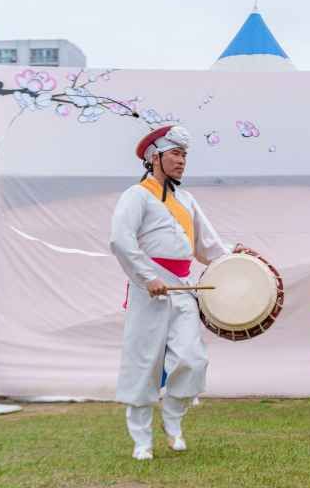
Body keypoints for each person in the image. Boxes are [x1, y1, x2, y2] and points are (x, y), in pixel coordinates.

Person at [111, 124, 246, 460]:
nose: (182, 160)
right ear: (154, 157)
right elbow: (121, 241)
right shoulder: (135, 196)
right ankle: (141, 439)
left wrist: (236, 253)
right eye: (175, 153)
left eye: (184, 154)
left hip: (183, 288)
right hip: (149, 289)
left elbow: (207, 246)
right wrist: (146, 277)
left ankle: (173, 421)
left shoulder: (186, 199)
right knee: (144, 363)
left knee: (193, 358)